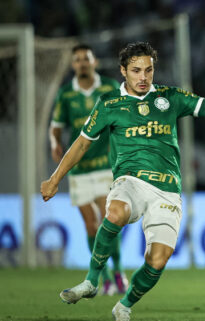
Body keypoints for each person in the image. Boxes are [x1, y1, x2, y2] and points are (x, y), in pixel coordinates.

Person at [41, 41, 205, 321]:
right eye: (136, 71)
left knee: (158, 260)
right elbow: (80, 144)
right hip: (130, 180)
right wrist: (55, 179)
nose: (143, 77)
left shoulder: (170, 97)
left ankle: (124, 305)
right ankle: (92, 281)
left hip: (168, 190)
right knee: (114, 213)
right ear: (123, 71)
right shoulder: (109, 104)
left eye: (148, 70)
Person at [49, 44, 127, 295]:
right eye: (78, 60)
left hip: (105, 165)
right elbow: (56, 126)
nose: (82, 63)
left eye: (86, 58)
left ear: (94, 62)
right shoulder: (66, 94)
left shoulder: (109, 88)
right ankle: (102, 278)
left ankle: (118, 273)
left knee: (108, 222)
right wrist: (55, 143)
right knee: (90, 226)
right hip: (79, 170)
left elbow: (124, 117)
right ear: (73, 65)